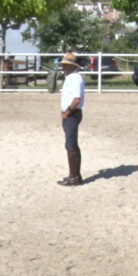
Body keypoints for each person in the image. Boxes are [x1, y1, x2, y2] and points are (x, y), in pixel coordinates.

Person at [58, 52, 85, 186]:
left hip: (72, 114)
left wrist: (67, 112)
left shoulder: (74, 78)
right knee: (72, 144)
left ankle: (74, 176)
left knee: (70, 145)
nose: (64, 67)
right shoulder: (72, 77)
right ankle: (74, 175)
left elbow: (76, 99)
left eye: (66, 65)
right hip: (71, 113)